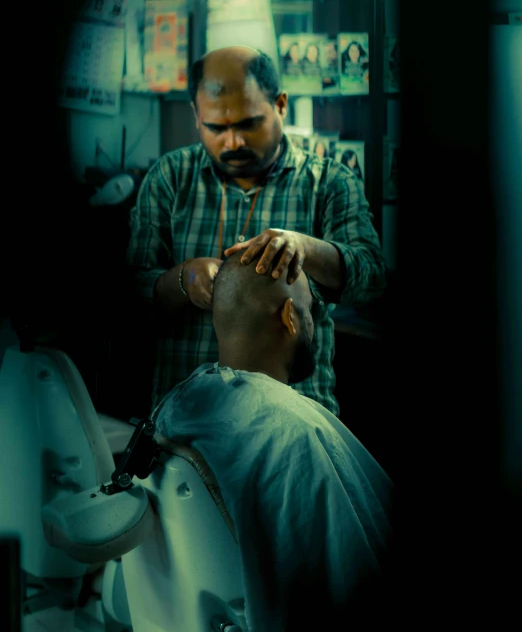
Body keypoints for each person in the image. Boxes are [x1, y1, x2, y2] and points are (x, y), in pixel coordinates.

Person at [127, 46, 386, 415]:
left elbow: (373, 278)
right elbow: (125, 293)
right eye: (216, 128)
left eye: (249, 123)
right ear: (197, 116)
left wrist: (306, 249)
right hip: (187, 421)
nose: (233, 143)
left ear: (280, 105)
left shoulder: (329, 182)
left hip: (293, 422)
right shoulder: (170, 178)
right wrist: (182, 280)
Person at [153, 249, 393, 631]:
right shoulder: (293, 433)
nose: (313, 322)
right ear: (291, 317)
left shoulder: (176, 405)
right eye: (310, 309)